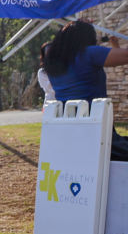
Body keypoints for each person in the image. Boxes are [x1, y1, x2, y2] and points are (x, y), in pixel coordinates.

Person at [43, 20, 128, 160]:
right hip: (98, 134)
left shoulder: (53, 60)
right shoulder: (89, 53)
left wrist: (114, 45)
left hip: (69, 133)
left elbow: (114, 60)